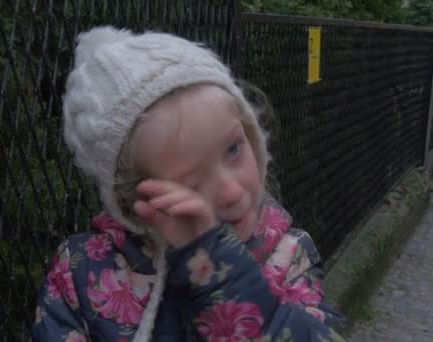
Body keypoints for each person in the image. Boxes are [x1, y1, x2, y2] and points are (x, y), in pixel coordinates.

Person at [30, 26, 345, 341]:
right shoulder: (80, 272)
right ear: (131, 201)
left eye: (233, 149)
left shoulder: (288, 254)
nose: (232, 192)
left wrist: (219, 273)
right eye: (191, 185)